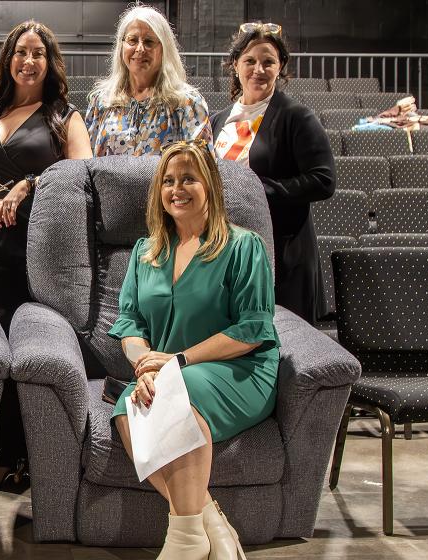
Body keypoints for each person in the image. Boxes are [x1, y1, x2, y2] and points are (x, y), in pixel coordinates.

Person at [109, 141, 279, 560]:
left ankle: (184, 540)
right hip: (169, 371)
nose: (176, 188)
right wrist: (145, 365)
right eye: (168, 180)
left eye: (188, 178)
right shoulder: (145, 252)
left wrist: (177, 360)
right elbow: (130, 323)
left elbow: (253, 329)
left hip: (240, 369)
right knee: (126, 405)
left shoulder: (243, 246)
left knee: (176, 393)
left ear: (211, 187)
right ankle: (207, 521)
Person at [0, 20, 92, 490]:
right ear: (8, 60)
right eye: (21, 52)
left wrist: (30, 183)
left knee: (35, 353)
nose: (29, 61)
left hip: (43, 251)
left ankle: (37, 455)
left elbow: (81, 178)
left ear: (49, 61)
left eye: (38, 52)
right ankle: (0, 450)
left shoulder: (64, 116)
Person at [210, 23, 335, 324]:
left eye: (268, 61)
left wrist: (258, 191)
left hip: (283, 253)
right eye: (250, 61)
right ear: (235, 64)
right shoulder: (217, 121)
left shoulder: (297, 117)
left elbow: (323, 180)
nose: (259, 69)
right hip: (227, 251)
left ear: (280, 67)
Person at [85, 5, 211, 156]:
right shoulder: (101, 101)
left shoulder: (188, 102)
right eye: (132, 40)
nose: (140, 49)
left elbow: (202, 166)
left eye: (149, 42)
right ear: (121, 46)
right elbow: (87, 162)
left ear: (164, 48)